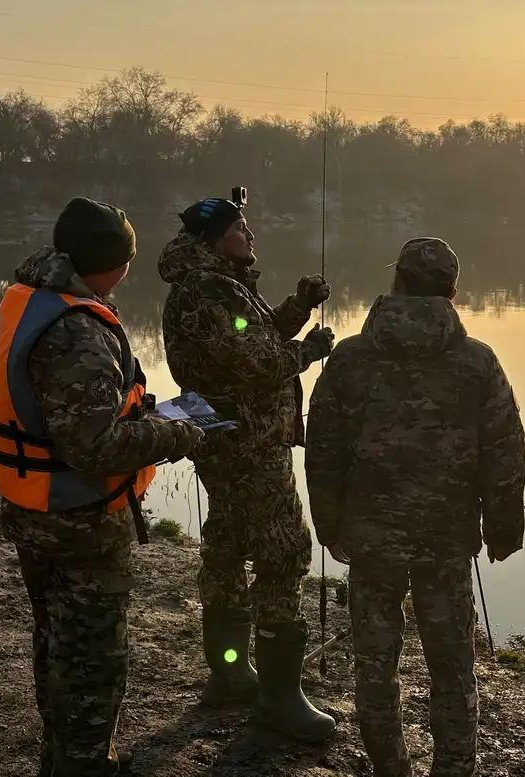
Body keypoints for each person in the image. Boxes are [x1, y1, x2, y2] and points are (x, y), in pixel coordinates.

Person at [0, 197, 206, 777]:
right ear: (110, 262)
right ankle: (84, 764)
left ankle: (63, 758)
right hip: (76, 520)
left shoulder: (28, 300)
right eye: (127, 260)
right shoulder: (78, 331)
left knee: (57, 641)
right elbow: (94, 448)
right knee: (92, 660)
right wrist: (174, 436)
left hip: (33, 509)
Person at [305, 237, 525, 777]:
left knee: (375, 668)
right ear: (452, 292)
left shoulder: (350, 358)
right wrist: (502, 529)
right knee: (452, 670)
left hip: (371, 540)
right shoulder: (477, 362)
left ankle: (392, 768)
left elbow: (323, 448)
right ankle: (453, 769)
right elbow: (505, 449)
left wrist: (329, 524)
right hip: (446, 544)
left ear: (397, 281)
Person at [157, 193, 337, 743]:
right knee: (284, 553)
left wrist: (298, 308)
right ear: (214, 239)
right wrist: (309, 351)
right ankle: (280, 699)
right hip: (247, 443)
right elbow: (258, 360)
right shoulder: (207, 291)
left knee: (230, 541)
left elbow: (249, 337)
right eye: (241, 228)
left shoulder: (215, 285)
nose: (250, 236)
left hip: (231, 437)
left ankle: (233, 672)